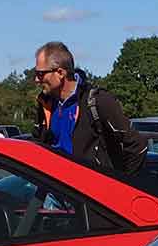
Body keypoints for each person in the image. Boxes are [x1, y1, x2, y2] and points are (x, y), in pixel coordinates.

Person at [31, 42, 145, 174]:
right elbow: (37, 145)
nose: (36, 80)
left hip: (90, 191)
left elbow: (138, 146)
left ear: (60, 73)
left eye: (40, 74)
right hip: (55, 190)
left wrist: (118, 184)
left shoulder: (99, 101)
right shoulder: (45, 103)